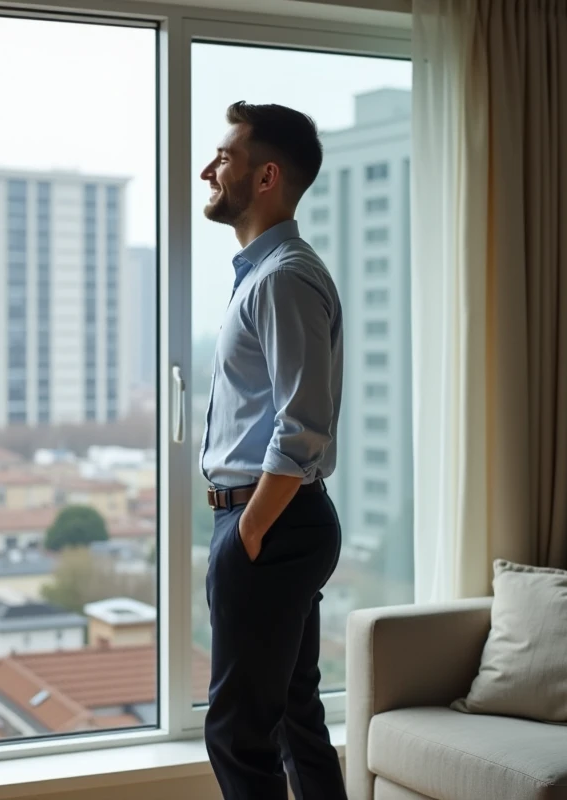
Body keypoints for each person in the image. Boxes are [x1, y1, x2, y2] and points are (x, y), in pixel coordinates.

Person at [199, 101, 346, 800]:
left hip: (270, 522)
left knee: (238, 734)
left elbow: (302, 422)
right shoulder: (265, 273)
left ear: (266, 177)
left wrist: (250, 529)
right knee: (292, 718)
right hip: (280, 521)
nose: (208, 170)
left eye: (225, 157)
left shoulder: (282, 276)